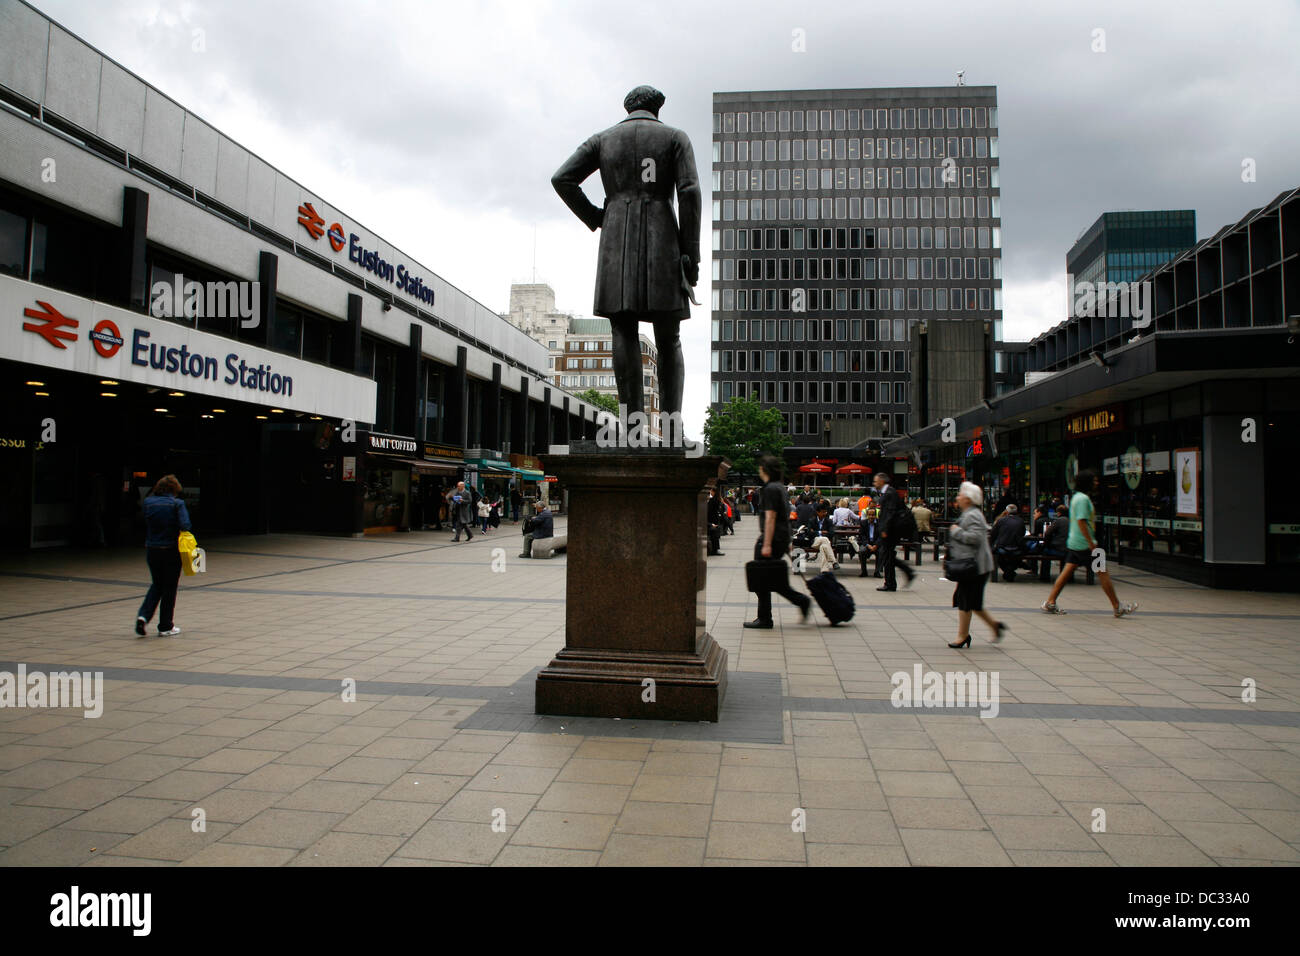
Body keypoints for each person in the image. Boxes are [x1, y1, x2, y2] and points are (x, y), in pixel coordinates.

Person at [1042, 469, 1138, 617]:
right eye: (1094, 480)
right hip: (1085, 545)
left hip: (1075, 543)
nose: (1097, 483)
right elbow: (1081, 521)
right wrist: (1091, 543)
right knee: (1103, 572)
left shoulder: (1077, 497)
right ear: (1087, 482)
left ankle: (1050, 601)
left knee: (1067, 572)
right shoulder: (1083, 499)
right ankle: (1117, 607)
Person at [745, 455, 812, 629]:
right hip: (781, 537)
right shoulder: (780, 488)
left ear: (764, 469)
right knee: (773, 579)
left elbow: (771, 517)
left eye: (760, 467)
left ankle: (766, 617)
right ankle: (799, 602)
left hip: (772, 538)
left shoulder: (769, 489)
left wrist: (766, 543)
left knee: (762, 578)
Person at [946, 481, 1007, 648]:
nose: (957, 498)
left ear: (967, 499)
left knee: (967, 600)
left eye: (960, 495)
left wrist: (956, 531)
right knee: (972, 602)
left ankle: (963, 635)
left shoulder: (973, 515)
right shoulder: (969, 513)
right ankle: (994, 626)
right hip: (972, 565)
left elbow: (975, 538)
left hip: (975, 566)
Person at [135, 474, 190, 638]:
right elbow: (185, 525)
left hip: (152, 549)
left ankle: (143, 616)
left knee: (157, 584)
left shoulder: (148, 503)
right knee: (169, 588)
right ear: (175, 489)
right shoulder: (177, 504)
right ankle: (166, 625)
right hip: (171, 550)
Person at [870, 472, 914, 591]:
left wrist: (884, 529)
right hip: (891, 529)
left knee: (887, 555)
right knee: (888, 555)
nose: (874, 483)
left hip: (892, 530)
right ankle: (897, 578)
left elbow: (889, 512)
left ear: (882, 481)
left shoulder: (889, 493)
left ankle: (891, 582)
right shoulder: (888, 492)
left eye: (876, 481)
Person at [990, 503, 1027, 582]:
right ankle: (1010, 571)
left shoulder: (1001, 520)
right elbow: (1023, 533)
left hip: (1003, 547)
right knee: (1017, 557)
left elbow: (993, 534)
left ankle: (1008, 571)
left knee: (997, 555)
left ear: (1007, 511)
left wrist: (992, 544)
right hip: (1017, 547)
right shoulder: (1020, 521)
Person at [808, 501, 840, 573]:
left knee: (823, 547)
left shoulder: (829, 521)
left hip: (825, 543)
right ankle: (834, 561)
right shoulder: (812, 521)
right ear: (817, 512)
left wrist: (815, 532)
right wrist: (820, 532)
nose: (824, 514)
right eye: (822, 512)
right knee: (825, 539)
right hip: (815, 542)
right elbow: (809, 533)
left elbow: (831, 533)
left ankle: (824, 570)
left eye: (825, 512)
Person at [1040, 508, 1070, 582]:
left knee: (1045, 553)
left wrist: (1046, 544)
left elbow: (1047, 533)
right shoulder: (1071, 521)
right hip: (1069, 549)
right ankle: (1068, 577)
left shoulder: (1058, 521)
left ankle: (1045, 577)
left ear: (1059, 513)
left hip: (1058, 548)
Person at [707, 487, 725, 556]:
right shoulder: (718, 499)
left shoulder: (712, 500)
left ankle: (715, 549)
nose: (710, 492)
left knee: (714, 532)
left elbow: (709, 511)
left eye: (711, 491)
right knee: (714, 532)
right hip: (713, 520)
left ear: (713, 492)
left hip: (711, 519)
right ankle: (715, 549)